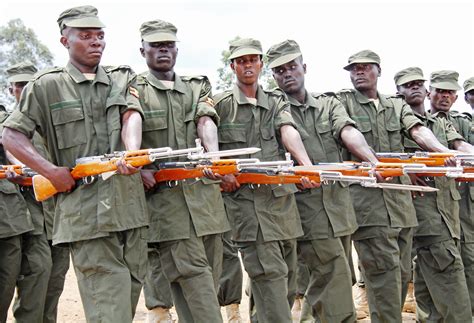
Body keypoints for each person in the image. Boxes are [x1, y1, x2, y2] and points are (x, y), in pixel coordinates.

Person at [2, 6, 148, 322]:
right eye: (85, 36)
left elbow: (130, 116)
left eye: (99, 35)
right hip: (86, 216)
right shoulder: (46, 86)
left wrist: (131, 152)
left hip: (131, 211)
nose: (96, 42)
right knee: (110, 310)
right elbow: (12, 136)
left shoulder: (121, 78)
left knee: (125, 302)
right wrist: (50, 172)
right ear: (64, 41)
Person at [266, 39, 386, 322]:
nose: (287, 74)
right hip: (299, 209)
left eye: (292, 67)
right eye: (279, 70)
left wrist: (372, 161)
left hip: (337, 209)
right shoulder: (270, 109)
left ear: (304, 67)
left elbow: (347, 131)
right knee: (329, 276)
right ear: (272, 76)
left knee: (326, 277)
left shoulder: (328, 103)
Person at [336, 50, 459, 322]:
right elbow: (348, 133)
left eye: (365, 67)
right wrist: (373, 161)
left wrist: (441, 151)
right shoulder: (342, 101)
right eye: (353, 68)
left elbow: (416, 129)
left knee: (402, 276)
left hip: (402, 210)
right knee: (385, 279)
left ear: (378, 70)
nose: (358, 72)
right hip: (369, 208)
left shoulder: (395, 105)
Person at [212, 37, 315, 323]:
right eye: (241, 61)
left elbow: (287, 130)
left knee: (287, 279)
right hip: (247, 208)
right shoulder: (221, 104)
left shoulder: (276, 100)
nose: (248, 66)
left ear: (261, 64)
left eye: (253, 60)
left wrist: (305, 165)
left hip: (281, 204)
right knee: (269, 276)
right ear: (232, 65)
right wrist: (221, 169)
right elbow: (208, 142)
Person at [136, 19, 230, 323]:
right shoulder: (134, 88)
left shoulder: (196, 85)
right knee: (194, 277)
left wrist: (215, 159)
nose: (163, 51)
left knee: (203, 282)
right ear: (143, 50)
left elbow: (205, 120)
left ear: (177, 49)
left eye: (168, 45)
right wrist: (138, 167)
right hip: (167, 204)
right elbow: (127, 132)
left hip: (205, 202)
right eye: (156, 46)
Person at [395, 67, 473, 322]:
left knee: (429, 280)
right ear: (398, 92)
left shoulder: (438, 123)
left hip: (445, 212)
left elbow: (460, 145)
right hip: (421, 213)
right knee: (448, 272)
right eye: (408, 85)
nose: (414, 88)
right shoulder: (395, 122)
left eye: (418, 83)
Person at [6, 61, 71, 323]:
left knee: (55, 281)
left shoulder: (52, 123)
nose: (24, 90)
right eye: (19, 85)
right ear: (11, 90)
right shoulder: (7, 126)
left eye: (28, 85)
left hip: (57, 215)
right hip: (28, 216)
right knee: (36, 277)